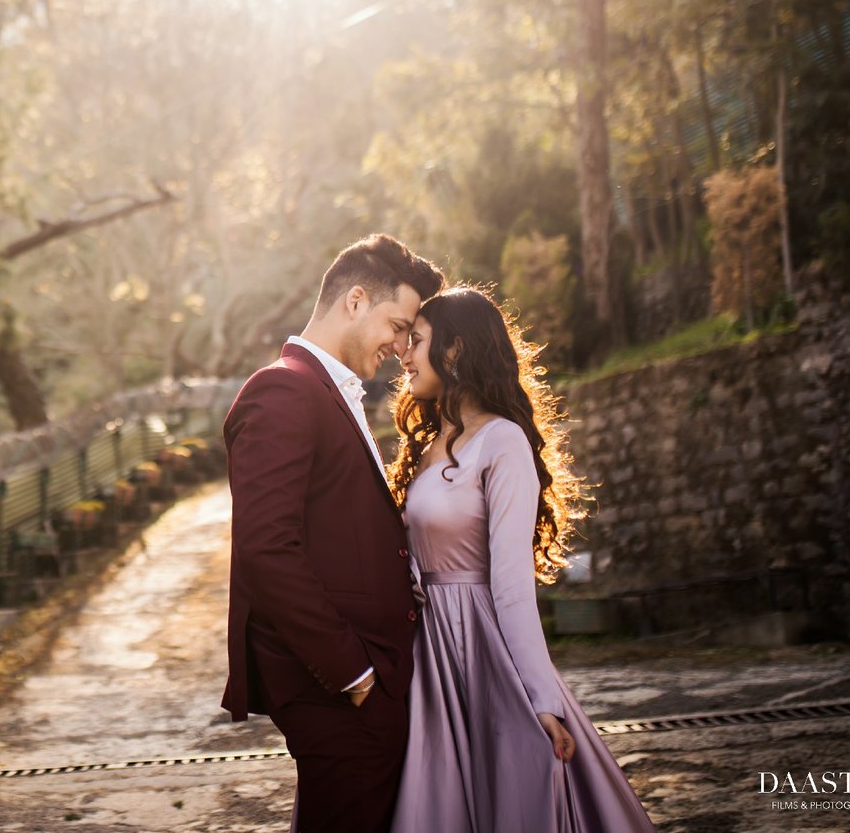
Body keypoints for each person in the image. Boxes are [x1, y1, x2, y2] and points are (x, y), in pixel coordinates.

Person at [386, 286, 655, 832]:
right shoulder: (426, 445)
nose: (403, 353)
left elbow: (511, 585)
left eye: (416, 340)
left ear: (455, 350)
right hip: (424, 652)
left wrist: (539, 697)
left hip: (479, 648)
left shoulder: (502, 442)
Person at [222, 233, 444, 833]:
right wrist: (355, 675)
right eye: (397, 326)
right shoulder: (282, 390)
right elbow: (268, 547)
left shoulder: (328, 391)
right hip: (337, 688)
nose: (401, 347)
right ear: (354, 302)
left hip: (363, 686)